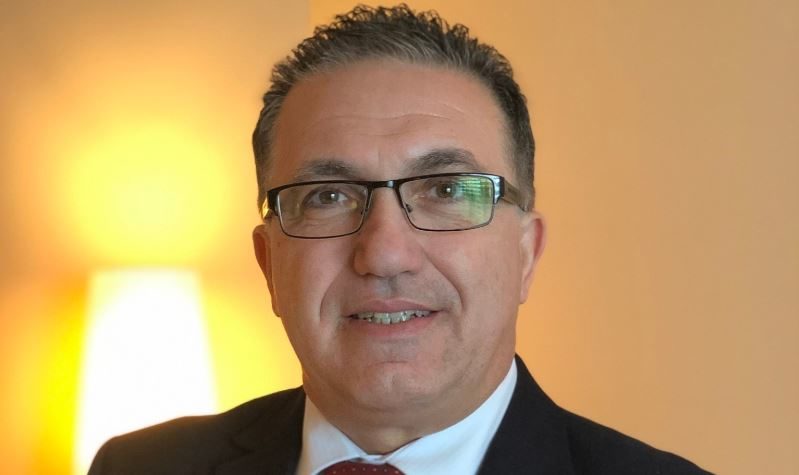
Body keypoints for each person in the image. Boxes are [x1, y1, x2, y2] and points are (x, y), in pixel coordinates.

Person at [89, 5, 711, 474]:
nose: (385, 253)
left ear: (525, 253)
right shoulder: (137, 467)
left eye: (445, 189)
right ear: (269, 263)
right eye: (327, 197)